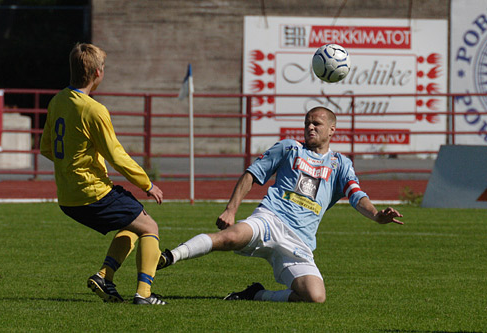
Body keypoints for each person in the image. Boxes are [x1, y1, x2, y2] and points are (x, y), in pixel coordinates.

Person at [156, 106, 403, 303]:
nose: (310, 127)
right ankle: (169, 256)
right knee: (231, 237)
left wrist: (376, 215)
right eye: (307, 122)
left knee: (315, 297)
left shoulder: (340, 164)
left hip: (300, 241)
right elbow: (252, 173)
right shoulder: (289, 148)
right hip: (270, 220)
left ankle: (257, 294)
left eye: (316, 123)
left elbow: (356, 195)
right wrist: (231, 208)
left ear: (332, 130)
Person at [40, 43, 166, 305]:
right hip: (92, 192)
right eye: (104, 67)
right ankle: (144, 294)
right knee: (150, 227)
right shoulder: (94, 110)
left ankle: (104, 277)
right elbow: (116, 155)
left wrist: (72, 165)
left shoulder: (57, 101)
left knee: (134, 221)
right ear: (97, 73)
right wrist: (147, 183)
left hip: (67, 198)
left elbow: (46, 148)